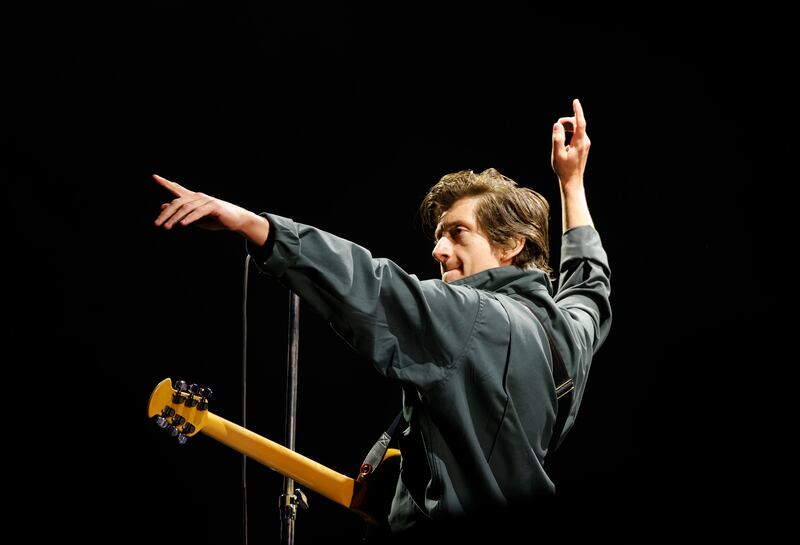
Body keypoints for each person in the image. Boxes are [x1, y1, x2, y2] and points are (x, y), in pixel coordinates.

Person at [152, 98, 611, 543]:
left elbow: (370, 284)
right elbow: (590, 284)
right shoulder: (567, 333)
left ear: (510, 244)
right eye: (438, 236)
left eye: (457, 232)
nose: (438, 249)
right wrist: (571, 184)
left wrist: (254, 226)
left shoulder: (471, 315)